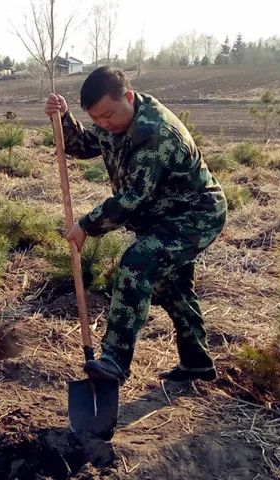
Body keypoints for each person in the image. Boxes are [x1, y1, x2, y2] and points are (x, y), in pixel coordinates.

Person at [44, 66, 227, 384]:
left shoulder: (155, 134)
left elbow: (133, 200)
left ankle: (115, 360)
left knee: (138, 264)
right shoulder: (115, 122)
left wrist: (86, 225)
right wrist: (62, 118)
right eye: (97, 118)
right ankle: (197, 363)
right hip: (161, 217)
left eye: (108, 115)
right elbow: (84, 145)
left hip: (196, 215)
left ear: (128, 97)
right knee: (173, 288)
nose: (104, 124)